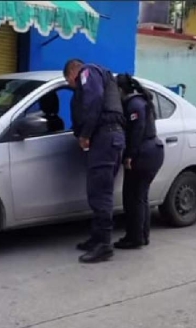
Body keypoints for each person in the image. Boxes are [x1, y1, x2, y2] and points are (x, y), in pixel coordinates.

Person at [63, 59, 126, 263]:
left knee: (100, 193)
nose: (72, 87)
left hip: (105, 137)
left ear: (73, 73)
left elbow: (94, 99)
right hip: (109, 138)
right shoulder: (102, 75)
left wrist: (85, 134)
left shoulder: (87, 72)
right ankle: (97, 238)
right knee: (97, 191)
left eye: (69, 82)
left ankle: (104, 245)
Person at [114, 73, 164, 249]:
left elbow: (137, 131)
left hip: (143, 154)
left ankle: (134, 238)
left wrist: (129, 156)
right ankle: (142, 236)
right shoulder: (140, 101)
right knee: (141, 197)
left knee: (133, 197)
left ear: (120, 89)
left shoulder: (134, 105)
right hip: (151, 152)